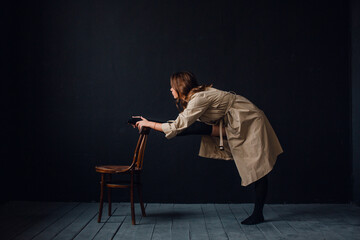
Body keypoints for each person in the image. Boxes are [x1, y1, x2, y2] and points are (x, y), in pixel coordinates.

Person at [131, 71, 283, 225]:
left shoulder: (198, 99)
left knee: (258, 168)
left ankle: (258, 214)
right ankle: (259, 214)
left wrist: (150, 124)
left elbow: (178, 126)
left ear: (180, 87)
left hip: (249, 120)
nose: (170, 90)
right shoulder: (195, 98)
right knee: (195, 128)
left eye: (172, 87)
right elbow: (184, 126)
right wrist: (149, 122)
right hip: (235, 122)